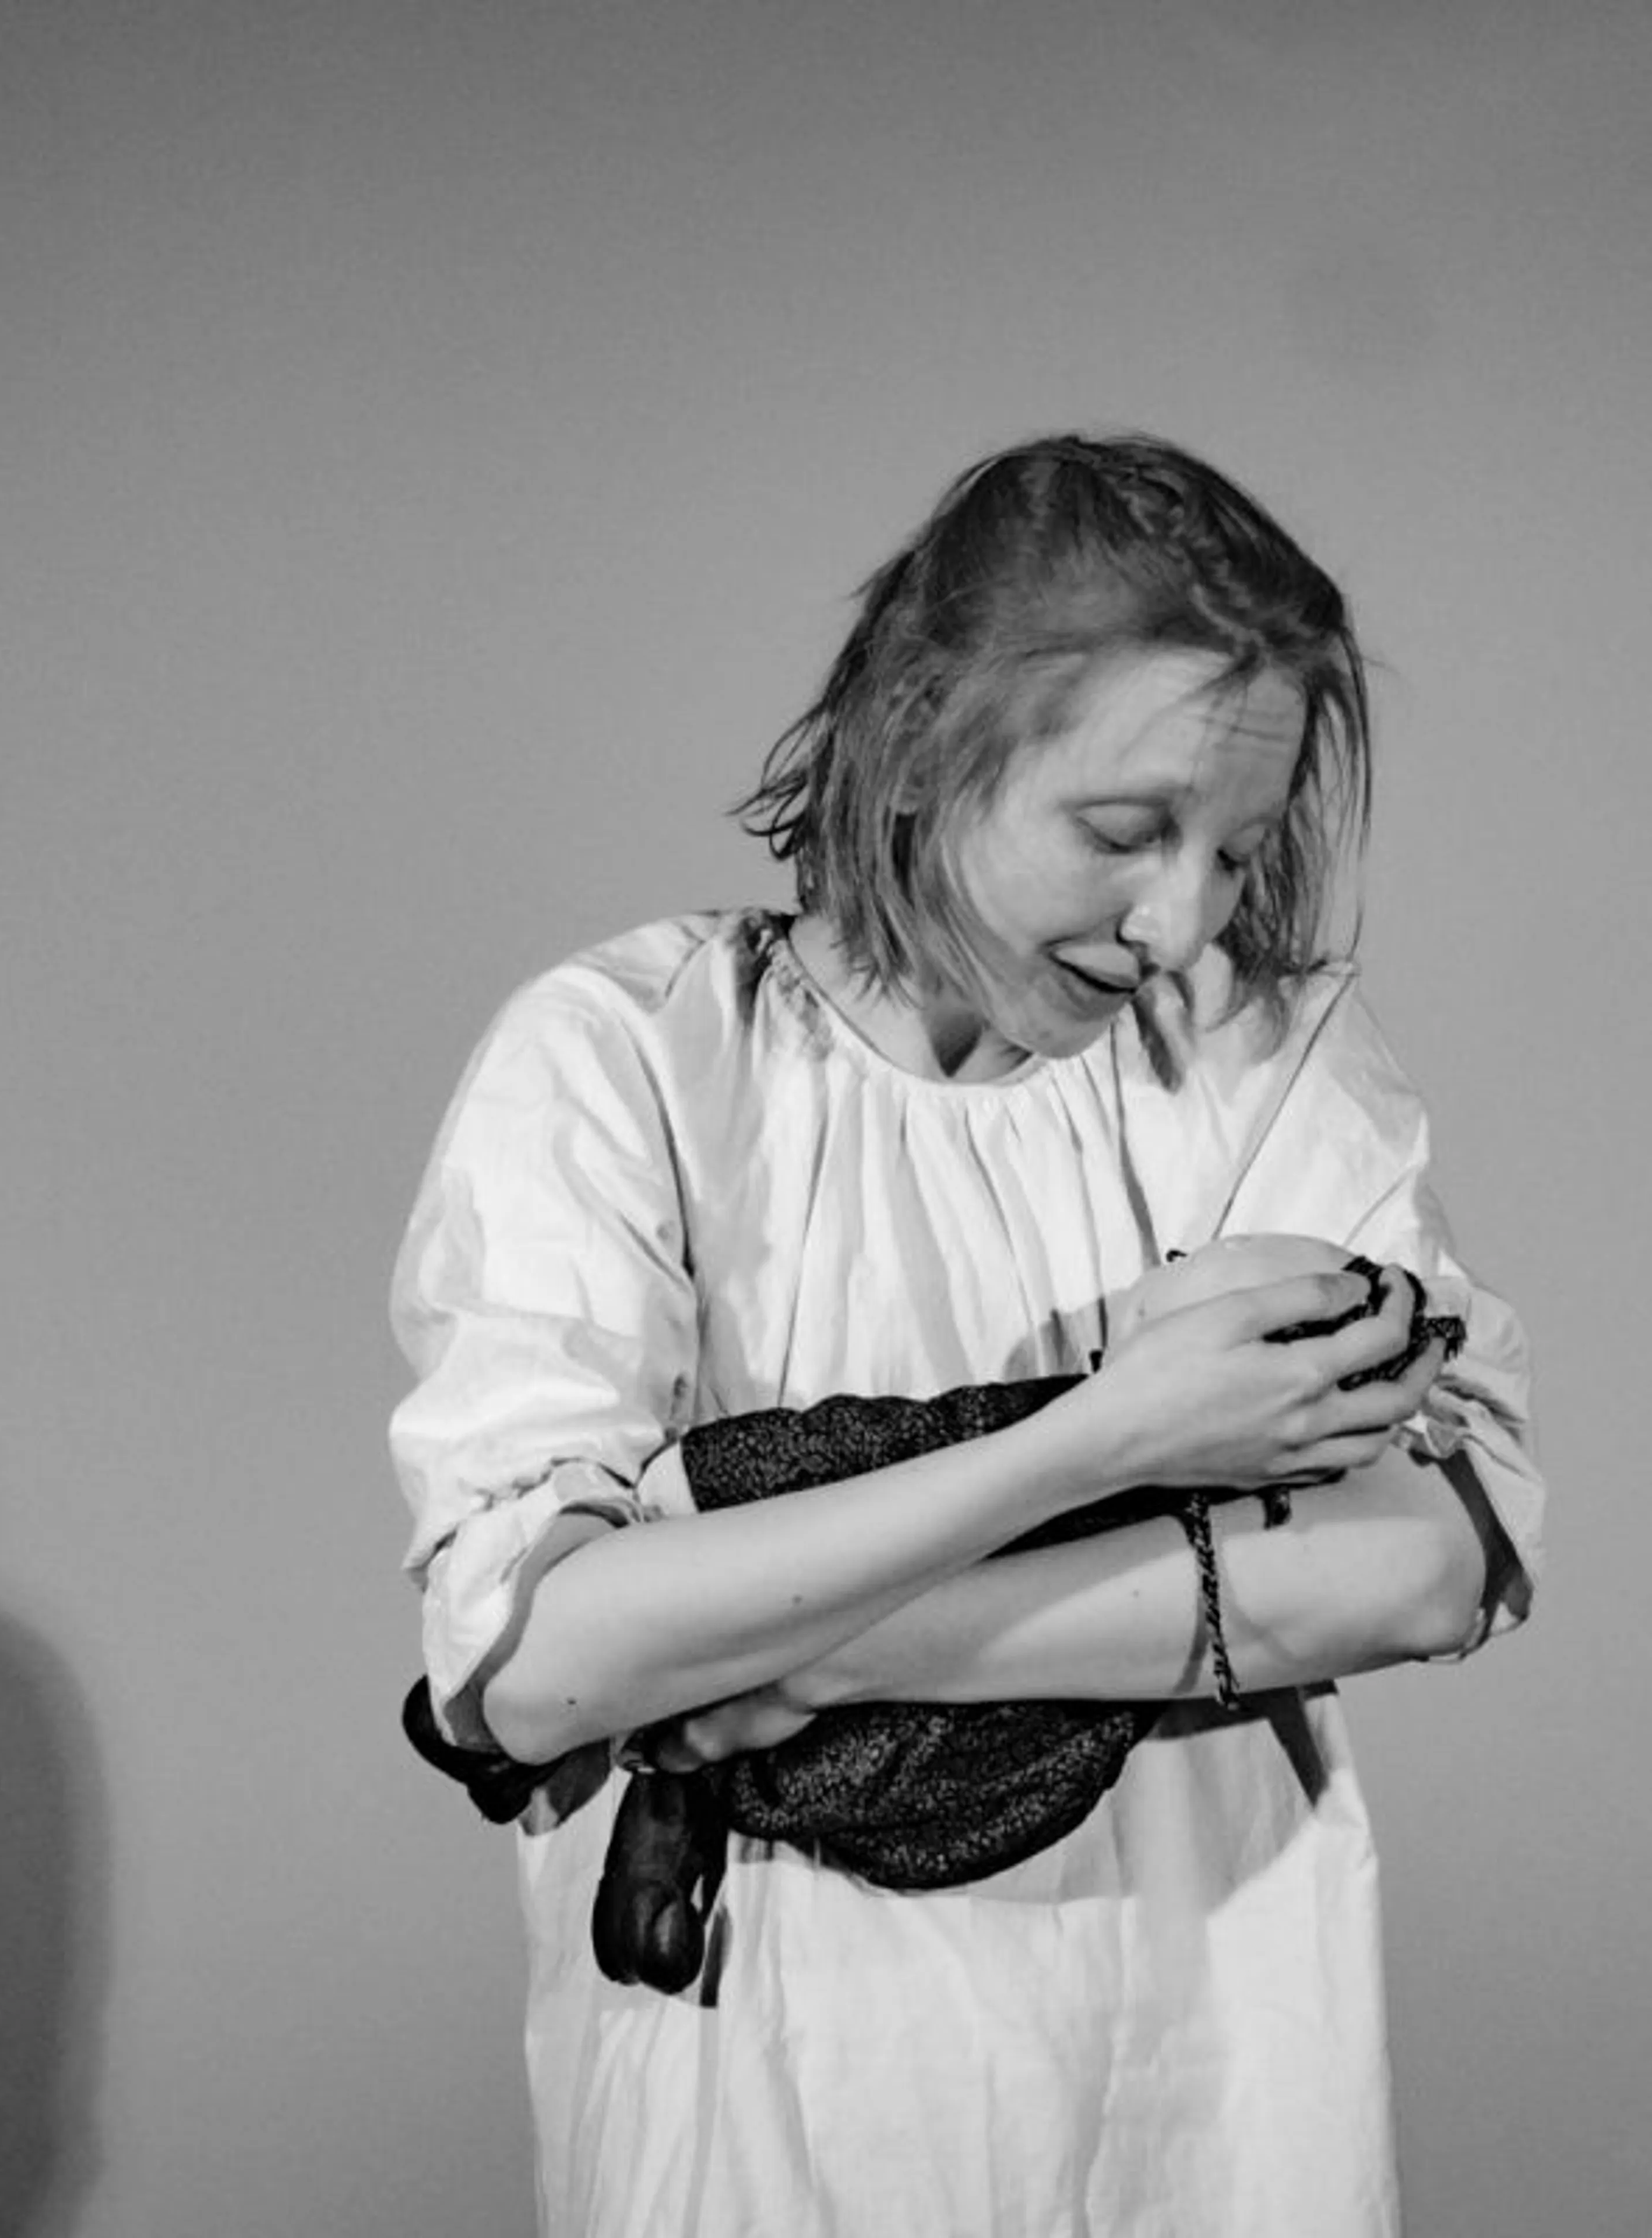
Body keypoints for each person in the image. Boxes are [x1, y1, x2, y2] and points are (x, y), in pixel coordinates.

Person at [389, 432, 1542, 2237]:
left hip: (1209, 2098)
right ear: (928, 739)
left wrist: (799, 1653)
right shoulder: (627, 1061)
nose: (1185, 920)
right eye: (1126, 833)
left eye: (1237, 850)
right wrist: (1109, 1439)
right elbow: (537, 1667)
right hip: (766, 2109)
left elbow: (1429, 1560)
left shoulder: (1262, 1059)